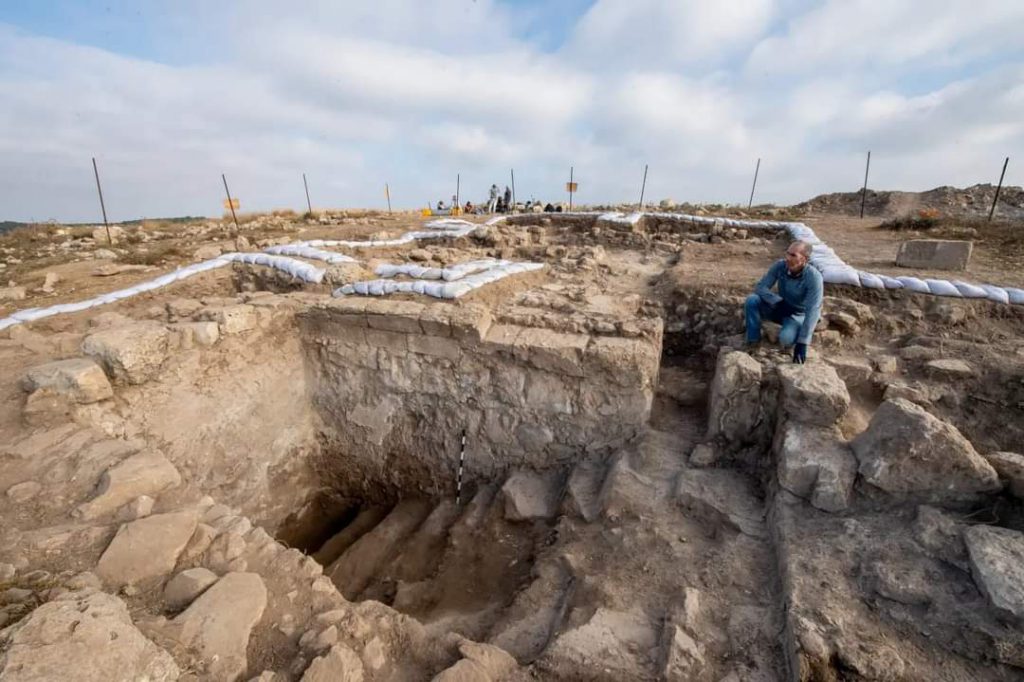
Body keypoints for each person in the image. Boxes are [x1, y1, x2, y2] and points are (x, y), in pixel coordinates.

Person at [744, 240, 822, 364]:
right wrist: (777, 301)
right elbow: (761, 287)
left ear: (804, 259)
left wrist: (803, 342)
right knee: (752, 300)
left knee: (785, 339)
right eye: (787, 253)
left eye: (793, 255)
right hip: (780, 307)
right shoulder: (780, 266)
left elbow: (813, 309)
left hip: (797, 314)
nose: (787, 258)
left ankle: (795, 331)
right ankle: (753, 341)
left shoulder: (813, 277)